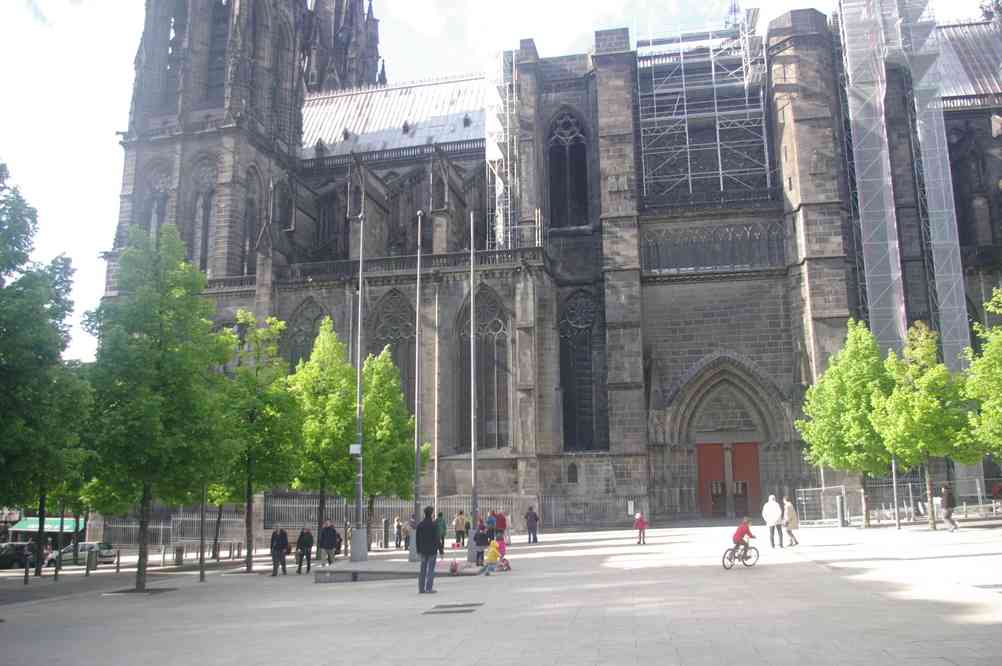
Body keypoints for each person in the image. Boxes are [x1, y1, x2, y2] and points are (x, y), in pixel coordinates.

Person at [415, 506, 439, 594]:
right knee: (430, 569)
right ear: (431, 514)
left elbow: (417, 539)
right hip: (432, 550)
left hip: (422, 550)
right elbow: (436, 538)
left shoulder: (420, 525)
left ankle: (421, 588)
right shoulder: (434, 525)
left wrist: (418, 550)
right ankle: (429, 588)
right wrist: (440, 550)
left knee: (422, 569)